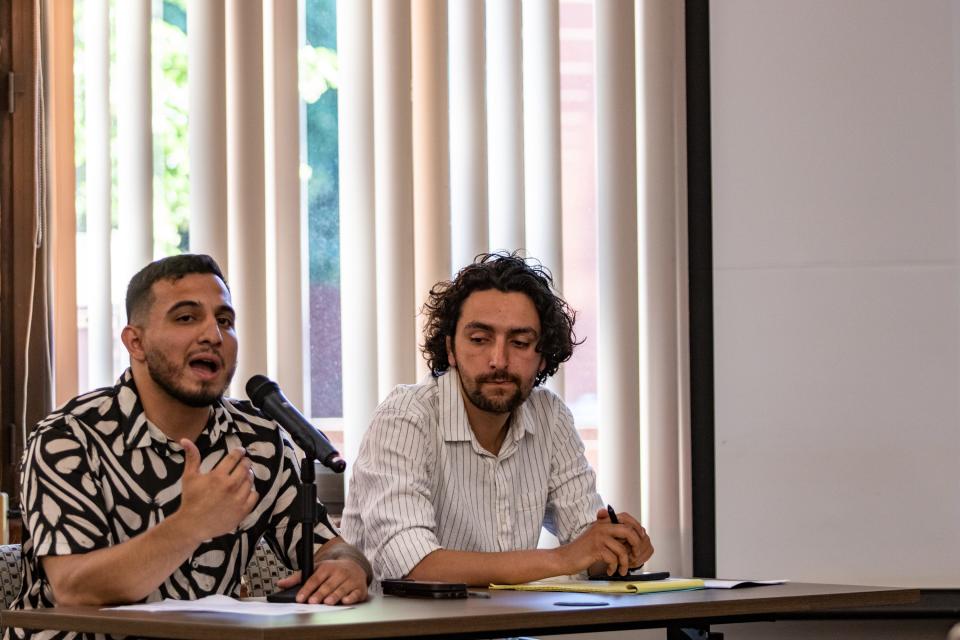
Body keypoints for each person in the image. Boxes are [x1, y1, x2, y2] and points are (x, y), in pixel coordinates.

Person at [9, 254, 370, 639]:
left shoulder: (259, 441)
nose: (213, 335)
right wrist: (191, 524)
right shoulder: (69, 437)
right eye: (186, 318)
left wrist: (346, 567)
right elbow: (74, 588)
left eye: (225, 321)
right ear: (136, 342)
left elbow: (328, 547)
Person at [340, 252, 654, 586]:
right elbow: (412, 565)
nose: (498, 360)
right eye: (479, 339)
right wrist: (564, 557)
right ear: (450, 349)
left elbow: (585, 537)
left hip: (504, 626)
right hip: (407, 632)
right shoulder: (405, 416)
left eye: (520, 343)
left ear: (543, 357)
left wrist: (615, 548)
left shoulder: (550, 416)